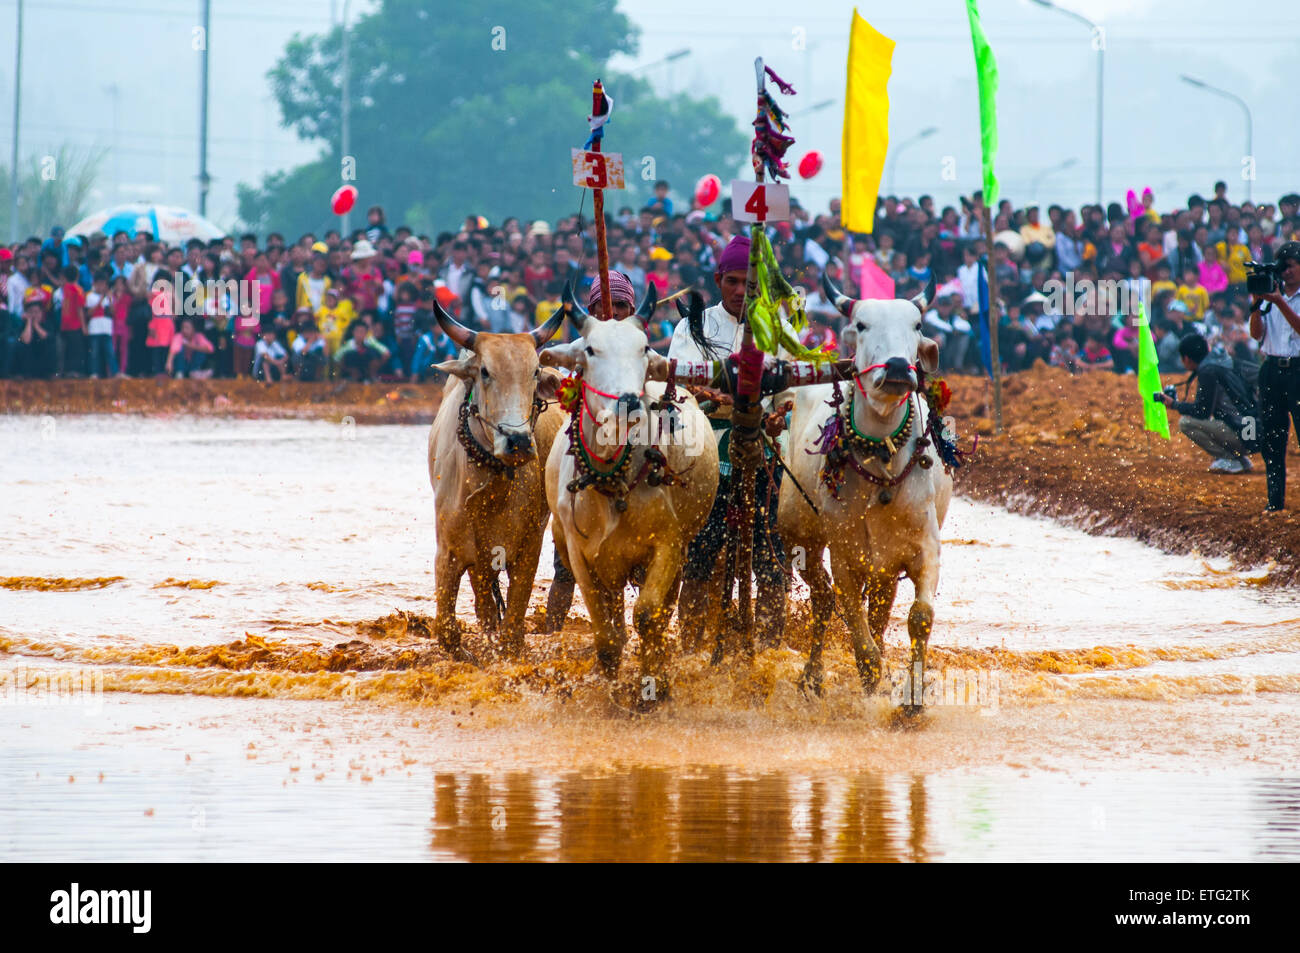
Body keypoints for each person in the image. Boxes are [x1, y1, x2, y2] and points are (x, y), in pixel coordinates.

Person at [666, 234, 791, 649]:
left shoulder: (776, 327)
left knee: (772, 562)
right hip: (706, 455)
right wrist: (716, 397)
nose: (741, 291)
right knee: (699, 560)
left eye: (751, 285)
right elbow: (681, 387)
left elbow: (792, 394)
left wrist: (778, 416)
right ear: (719, 280)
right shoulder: (693, 326)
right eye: (733, 282)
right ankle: (690, 648)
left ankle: (772, 651)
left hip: (765, 456)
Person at [1155, 332, 1257, 474]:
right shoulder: (1225, 360)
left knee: (1186, 422)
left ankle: (1230, 459)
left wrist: (1174, 404)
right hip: (1255, 431)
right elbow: (1258, 375)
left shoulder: (1208, 371)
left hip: (1244, 436)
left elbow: (1202, 411)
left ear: (1186, 358)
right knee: (1219, 416)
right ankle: (1241, 460)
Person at [1248, 241, 1300, 512]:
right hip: (1270, 369)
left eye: (1291, 266)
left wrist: (1279, 301)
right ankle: (1274, 502)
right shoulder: (1270, 293)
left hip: (1299, 370)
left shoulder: (1280, 297)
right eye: (1283, 267)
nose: (1287, 272)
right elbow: (1257, 334)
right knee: (1273, 439)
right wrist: (1256, 305)